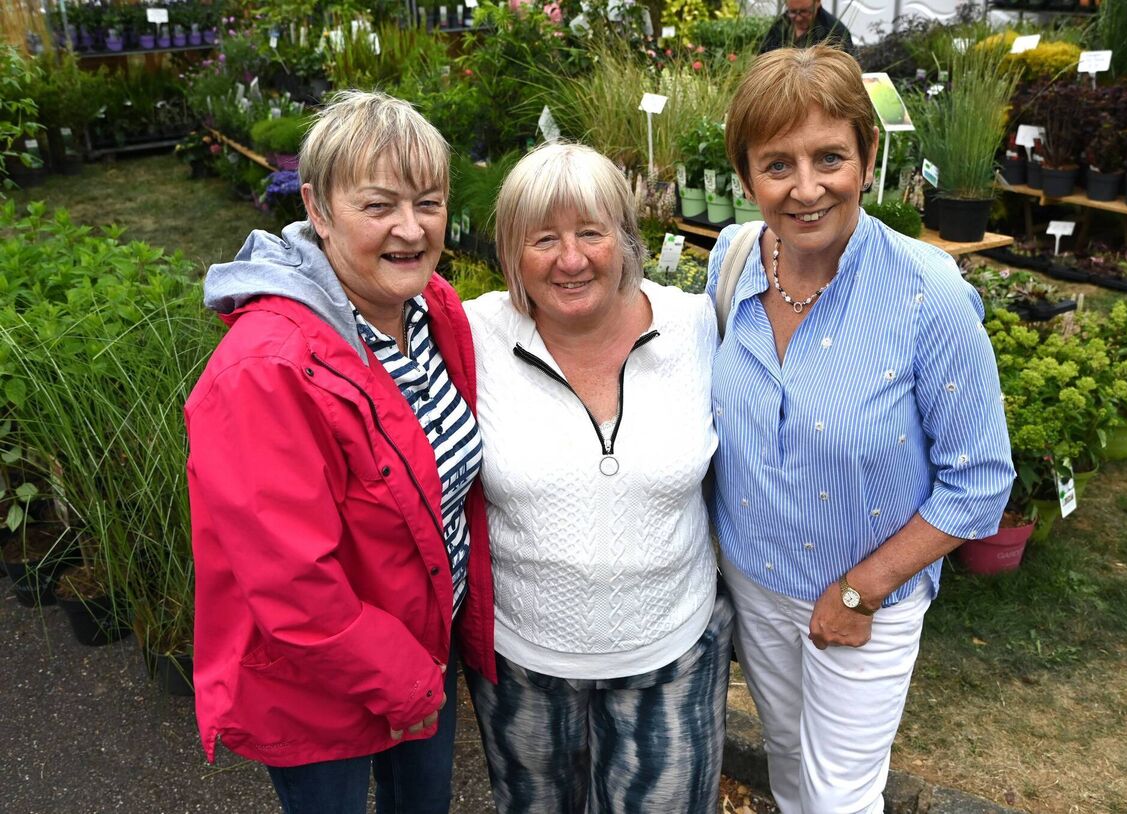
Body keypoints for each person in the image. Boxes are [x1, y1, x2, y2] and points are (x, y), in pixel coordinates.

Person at [707, 47, 1014, 813]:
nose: (807, 188)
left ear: (868, 158)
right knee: (787, 769)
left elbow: (980, 482)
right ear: (745, 177)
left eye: (830, 157)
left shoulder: (927, 294)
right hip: (755, 581)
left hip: (866, 598)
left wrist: (859, 591)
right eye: (777, 165)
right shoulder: (732, 262)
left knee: (841, 797)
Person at [185, 90, 495, 814]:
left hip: (421, 646)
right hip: (314, 688)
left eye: (428, 202)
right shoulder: (266, 368)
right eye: (379, 205)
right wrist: (409, 682)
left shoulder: (430, 311)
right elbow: (295, 587)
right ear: (318, 210)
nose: (411, 229)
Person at [462, 142, 733, 813]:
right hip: (523, 662)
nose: (571, 259)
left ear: (626, 237)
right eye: (543, 239)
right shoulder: (472, 336)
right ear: (511, 252)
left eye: (591, 232)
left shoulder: (695, 325)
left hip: (672, 649)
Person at [759, 0, 855, 55]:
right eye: (792, 12)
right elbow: (762, 57)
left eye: (804, 12)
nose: (798, 18)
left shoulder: (835, 31)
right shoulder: (780, 25)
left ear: (818, 2)